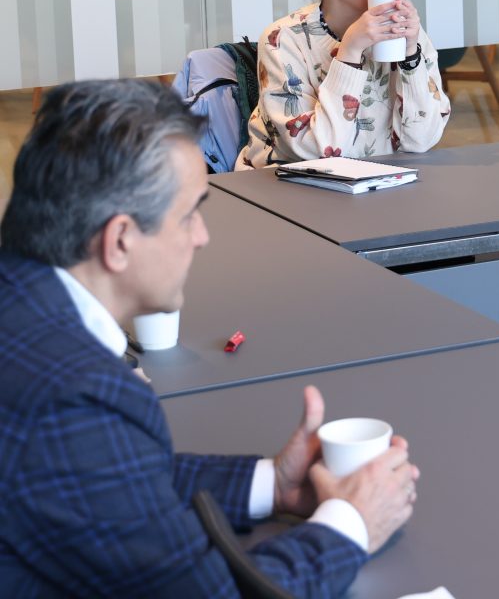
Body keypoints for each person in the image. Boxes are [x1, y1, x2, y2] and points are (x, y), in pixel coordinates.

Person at [0, 79, 419, 597]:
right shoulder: (72, 397)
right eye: (188, 215)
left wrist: (273, 485)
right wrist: (350, 523)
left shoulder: (22, 311)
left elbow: (113, 485)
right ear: (120, 240)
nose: (202, 236)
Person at [238, 0, 450, 169]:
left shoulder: (403, 31)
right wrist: (349, 51)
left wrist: (411, 54)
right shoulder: (284, 39)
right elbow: (315, 151)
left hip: (377, 182)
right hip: (287, 183)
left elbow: (422, 140)